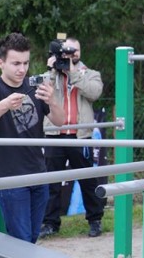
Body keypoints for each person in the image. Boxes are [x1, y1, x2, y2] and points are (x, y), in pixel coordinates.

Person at [0, 32, 64, 243]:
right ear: (0, 63)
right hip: (10, 177)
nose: (22, 69)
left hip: (38, 172)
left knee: (32, 239)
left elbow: (60, 122)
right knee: (21, 240)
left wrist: (53, 101)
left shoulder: (34, 85)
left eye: (26, 63)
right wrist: (4, 105)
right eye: (16, 63)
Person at [39, 37, 105, 239]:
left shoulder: (90, 74)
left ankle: (95, 220)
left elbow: (94, 93)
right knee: (52, 181)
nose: (70, 55)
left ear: (80, 52)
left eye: (74, 51)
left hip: (80, 134)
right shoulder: (51, 74)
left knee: (87, 180)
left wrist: (73, 73)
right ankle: (50, 223)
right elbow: (40, 93)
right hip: (54, 134)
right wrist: (52, 70)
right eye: (66, 52)